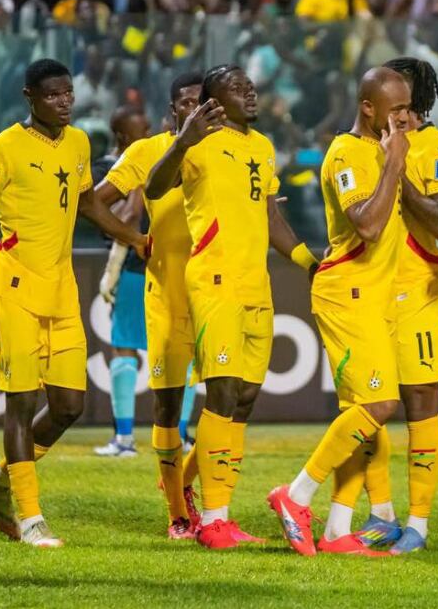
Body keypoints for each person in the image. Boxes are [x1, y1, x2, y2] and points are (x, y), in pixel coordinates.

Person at [0, 59, 148, 549]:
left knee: (70, 404)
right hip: (13, 287)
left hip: (61, 288)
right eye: (53, 95)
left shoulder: (78, 143)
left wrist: (134, 238)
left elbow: (89, 205)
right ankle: (30, 518)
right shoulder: (3, 148)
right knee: (22, 404)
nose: (65, 102)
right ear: (30, 97)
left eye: (68, 93)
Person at [144, 65, 316, 549]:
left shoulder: (261, 148)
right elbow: (155, 190)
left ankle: (211, 503)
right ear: (215, 102)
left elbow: (270, 215)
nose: (250, 92)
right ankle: (215, 519)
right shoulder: (197, 143)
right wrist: (181, 141)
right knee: (220, 394)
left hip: (255, 284)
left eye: (250, 86)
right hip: (214, 280)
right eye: (237, 88)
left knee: (243, 398)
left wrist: (307, 261)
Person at [267, 66, 412, 557]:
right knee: (378, 406)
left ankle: (336, 530)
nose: (404, 120)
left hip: (375, 293)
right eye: (395, 111)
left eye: (408, 109)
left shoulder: (379, 148)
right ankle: (296, 494)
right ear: (368, 107)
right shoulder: (347, 153)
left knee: (362, 415)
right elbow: (367, 227)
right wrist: (395, 163)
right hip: (347, 292)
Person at [356, 57, 438, 555]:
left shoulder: (436, 147)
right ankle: (381, 514)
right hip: (371, 290)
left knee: (421, 405)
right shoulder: (362, 146)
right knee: (368, 406)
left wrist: (396, 169)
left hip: (418, 290)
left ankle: (418, 523)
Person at [92, 73, 203, 538]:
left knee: (228, 395)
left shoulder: (238, 149)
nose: (194, 109)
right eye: (186, 102)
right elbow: (106, 206)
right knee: (149, 371)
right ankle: (171, 492)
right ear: (171, 110)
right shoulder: (149, 154)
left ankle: (179, 474)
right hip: (151, 275)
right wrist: (132, 243)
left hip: (216, 287)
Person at [92, 105, 154, 458]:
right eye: (139, 132)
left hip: (159, 265)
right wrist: (139, 183)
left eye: (148, 128)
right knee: (125, 346)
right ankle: (125, 438)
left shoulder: (159, 160)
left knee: (175, 351)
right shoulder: (105, 170)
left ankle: (178, 435)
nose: (147, 137)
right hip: (131, 264)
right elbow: (119, 218)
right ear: (120, 137)